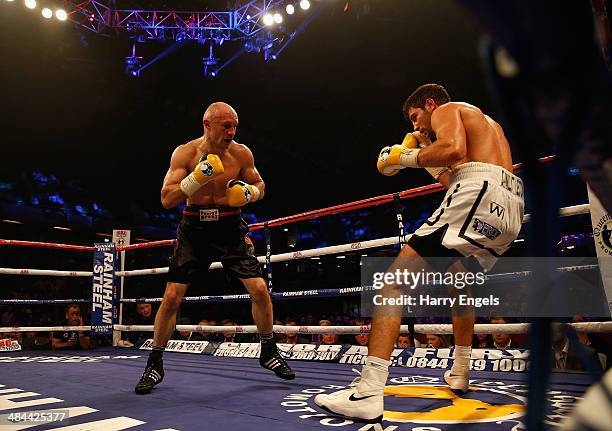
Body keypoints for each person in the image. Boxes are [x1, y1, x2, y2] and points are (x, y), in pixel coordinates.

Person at [315, 83, 524, 421]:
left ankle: (367, 392)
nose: (416, 127)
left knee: (391, 283)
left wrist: (403, 157)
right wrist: (422, 154)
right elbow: (451, 177)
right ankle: (460, 372)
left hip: (478, 194)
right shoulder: (487, 124)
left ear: (429, 104)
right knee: (460, 283)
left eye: (416, 117)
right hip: (509, 207)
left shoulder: (446, 109)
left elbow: (453, 150)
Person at [134, 102, 294, 395]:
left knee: (259, 290)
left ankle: (269, 350)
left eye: (235, 126)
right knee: (171, 297)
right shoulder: (185, 153)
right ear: (207, 124)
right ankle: (154, 362)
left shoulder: (241, 153)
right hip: (194, 229)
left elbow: (260, 184)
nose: (232, 132)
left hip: (231, 227)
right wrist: (196, 178)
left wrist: (250, 193)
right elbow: (167, 199)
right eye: (226, 126)